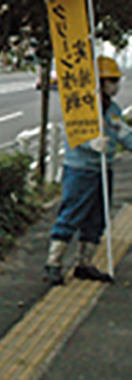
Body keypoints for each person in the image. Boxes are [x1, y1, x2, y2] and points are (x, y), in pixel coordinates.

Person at [44, 56, 132, 286]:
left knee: (97, 218)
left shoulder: (112, 108)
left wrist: (126, 137)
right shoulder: (82, 106)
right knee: (72, 214)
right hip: (81, 169)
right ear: (99, 82)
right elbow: (73, 133)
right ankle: (53, 264)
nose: (116, 85)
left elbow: (123, 133)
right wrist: (90, 143)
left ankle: (85, 263)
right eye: (111, 80)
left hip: (105, 169)